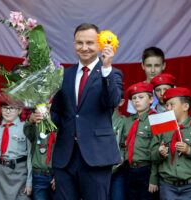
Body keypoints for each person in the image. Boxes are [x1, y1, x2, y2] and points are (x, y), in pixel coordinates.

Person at [50, 23, 123, 199]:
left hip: (96, 155)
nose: (84, 48)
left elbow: (112, 101)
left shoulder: (112, 73)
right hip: (65, 155)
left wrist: (107, 68)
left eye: (90, 43)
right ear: (74, 44)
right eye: (79, 43)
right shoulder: (64, 75)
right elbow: (58, 114)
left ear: (100, 44)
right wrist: (41, 115)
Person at [150, 87, 191, 200]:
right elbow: (152, 156)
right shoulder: (162, 128)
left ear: (185, 106)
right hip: (167, 186)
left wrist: (190, 150)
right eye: (167, 105)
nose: (168, 108)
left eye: (172, 105)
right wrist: (159, 153)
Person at [120, 82, 158, 200]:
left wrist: (154, 178)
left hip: (147, 170)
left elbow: (160, 151)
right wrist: (121, 156)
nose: (136, 101)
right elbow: (123, 144)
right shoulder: (128, 120)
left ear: (151, 99)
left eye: (141, 97)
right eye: (134, 98)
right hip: (129, 169)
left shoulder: (158, 119)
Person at [24, 103, 56, 200]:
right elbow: (27, 131)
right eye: (43, 110)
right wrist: (31, 120)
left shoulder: (60, 129)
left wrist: (60, 175)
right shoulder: (36, 128)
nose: (46, 113)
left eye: (49, 110)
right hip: (39, 176)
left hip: (56, 176)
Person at [127, 47, 166, 114]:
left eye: (157, 65)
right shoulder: (135, 91)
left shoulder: (172, 89)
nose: (153, 70)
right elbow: (133, 120)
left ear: (163, 65)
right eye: (149, 65)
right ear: (143, 65)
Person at [110, 90, 126, 200]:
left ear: (121, 102)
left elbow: (127, 144)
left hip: (117, 170)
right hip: (97, 170)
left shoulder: (124, 121)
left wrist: (123, 155)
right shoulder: (94, 120)